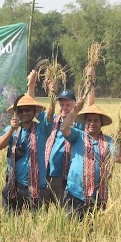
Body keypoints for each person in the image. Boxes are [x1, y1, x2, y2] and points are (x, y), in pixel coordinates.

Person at [60, 98, 121, 220]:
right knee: (72, 230)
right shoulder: (78, 135)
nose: (92, 123)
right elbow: (64, 128)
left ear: (101, 123)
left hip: (98, 196)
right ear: (84, 122)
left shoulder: (108, 141)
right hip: (75, 193)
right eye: (89, 120)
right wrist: (74, 111)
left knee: (93, 231)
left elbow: (119, 158)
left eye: (96, 120)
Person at [26, 71, 80, 206]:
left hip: (64, 176)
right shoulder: (51, 120)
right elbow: (31, 106)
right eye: (62, 104)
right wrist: (31, 85)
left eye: (68, 105)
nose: (64, 108)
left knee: (62, 210)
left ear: (74, 106)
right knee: (42, 209)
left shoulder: (78, 124)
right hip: (45, 173)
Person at [0, 93, 50, 212]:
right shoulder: (11, 130)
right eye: (20, 111)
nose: (24, 113)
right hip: (14, 184)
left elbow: (49, 115)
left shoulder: (42, 129)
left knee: (36, 223)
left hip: (36, 186)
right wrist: (11, 130)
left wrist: (52, 91)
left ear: (34, 111)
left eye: (28, 110)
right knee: (10, 222)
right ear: (17, 113)